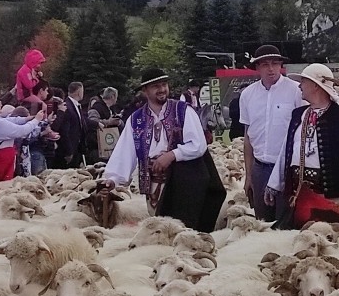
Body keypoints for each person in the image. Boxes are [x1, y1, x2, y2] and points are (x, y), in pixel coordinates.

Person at [103, 68, 226, 231]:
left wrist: (173, 155)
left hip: (183, 184)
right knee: (159, 231)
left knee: (182, 229)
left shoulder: (183, 111)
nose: (161, 89)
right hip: (153, 185)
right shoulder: (136, 119)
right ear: (145, 91)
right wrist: (113, 178)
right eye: (155, 86)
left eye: (164, 85)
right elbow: (125, 151)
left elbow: (198, 144)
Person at [264, 63, 339, 227]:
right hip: (300, 197)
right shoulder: (298, 115)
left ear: (316, 86)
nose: (300, 86)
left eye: (304, 81)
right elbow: (286, 151)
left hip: (332, 199)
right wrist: (274, 184)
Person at [239, 45, 305, 220]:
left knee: (286, 222)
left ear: (281, 65)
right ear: (257, 67)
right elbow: (248, 137)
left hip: (288, 169)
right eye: (265, 64)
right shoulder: (247, 95)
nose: (271, 68)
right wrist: (248, 175)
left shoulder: (297, 91)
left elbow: (305, 132)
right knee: (262, 221)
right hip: (260, 168)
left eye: (275, 63)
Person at [0, 90, 45, 182]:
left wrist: (26, 119)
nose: (1, 104)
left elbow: (9, 120)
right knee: (1, 186)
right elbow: (22, 131)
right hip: (0, 159)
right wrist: (36, 120)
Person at [51, 82, 88, 168]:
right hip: (68, 150)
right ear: (79, 92)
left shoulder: (76, 106)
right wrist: (69, 151)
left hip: (77, 149)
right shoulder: (67, 107)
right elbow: (65, 131)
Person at [86, 87, 123, 163]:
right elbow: (92, 122)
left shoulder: (111, 109)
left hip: (109, 145)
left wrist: (118, 122)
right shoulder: (96, 108)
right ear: (112, 96)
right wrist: (108, 122)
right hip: (97, 147)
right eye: (116, 97)